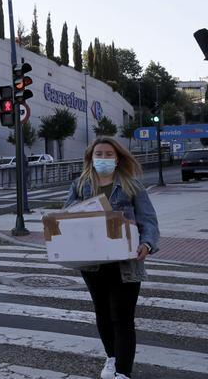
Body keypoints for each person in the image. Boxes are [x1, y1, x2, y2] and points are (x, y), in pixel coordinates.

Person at [63, 137, 159, 379]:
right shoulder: (81, 184)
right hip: (92, 262)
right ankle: (112, 358)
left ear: (117, 159)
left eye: (108, 154)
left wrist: (147, 244)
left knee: (122, 315)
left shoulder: (132, 185)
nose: (103, 158)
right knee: (103, 313)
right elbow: (66, 217)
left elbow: (149, 220)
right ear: (91, 158)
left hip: (125, 261)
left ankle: (123, 373)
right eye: (99, 154)